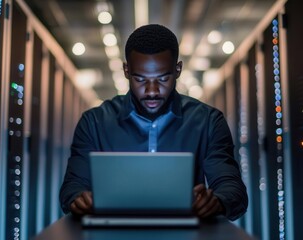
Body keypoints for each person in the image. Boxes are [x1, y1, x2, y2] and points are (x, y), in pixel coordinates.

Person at [59, 24, 248, 221]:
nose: (151, 91)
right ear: (126, 70)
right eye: (140, 79)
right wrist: (79, 199)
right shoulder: (94, 122)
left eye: (163, 79)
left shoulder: (209, 121)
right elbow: (72, 187)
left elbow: (232, 188)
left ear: (178, 70)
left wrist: (216, 201)